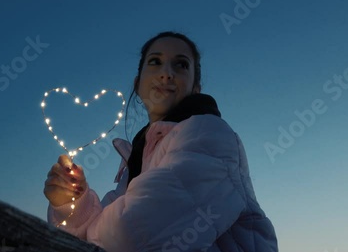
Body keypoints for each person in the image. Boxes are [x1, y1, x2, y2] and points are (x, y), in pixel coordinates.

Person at [44, 31, 278, 251]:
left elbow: (133, 235)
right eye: (155, 61)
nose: (167, 73)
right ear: (138, 83)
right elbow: (86, 242)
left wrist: (93, 227)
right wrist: (72, 204)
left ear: (196, 88)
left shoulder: (210, 136)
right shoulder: (135, 164)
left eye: (181, 64)